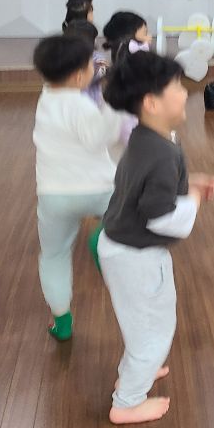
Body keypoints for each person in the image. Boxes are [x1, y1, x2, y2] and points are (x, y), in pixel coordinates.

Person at [98, 51, 214, 424]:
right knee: (154, 332)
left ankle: (137, 372)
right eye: (176, 87)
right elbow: (165, 219)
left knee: (144, 324)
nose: (185, 93)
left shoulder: (149, 138)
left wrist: (187, 182)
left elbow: (146, 187)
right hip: (136, 256)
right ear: (151, 103)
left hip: (123, 247)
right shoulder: (160, 153)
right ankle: (127, 402)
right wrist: (193, 198)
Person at [31, 34, 128, 341]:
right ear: (77, 76)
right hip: (100, 188)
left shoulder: (46, 98)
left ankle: (61, 321)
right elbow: (99, 138)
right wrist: (114, 105)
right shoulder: (79, 104)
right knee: (125, 220)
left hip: (54, 194)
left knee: (54, 255)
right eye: (90, 65)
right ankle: (102, 238)